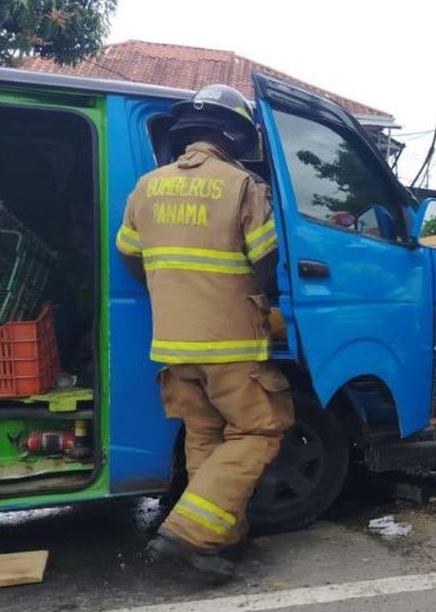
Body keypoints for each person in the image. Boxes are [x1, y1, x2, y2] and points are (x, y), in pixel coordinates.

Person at [116, 84, 293, 580]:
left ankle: (220, 538)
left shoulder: (147, 187)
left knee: (205, 435)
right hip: (231, 344)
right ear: (235, 136)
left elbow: (129, 255)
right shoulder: (242, 186)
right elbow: (267, 259)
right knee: (261, 427)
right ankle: (187, 536)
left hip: (173, 343)